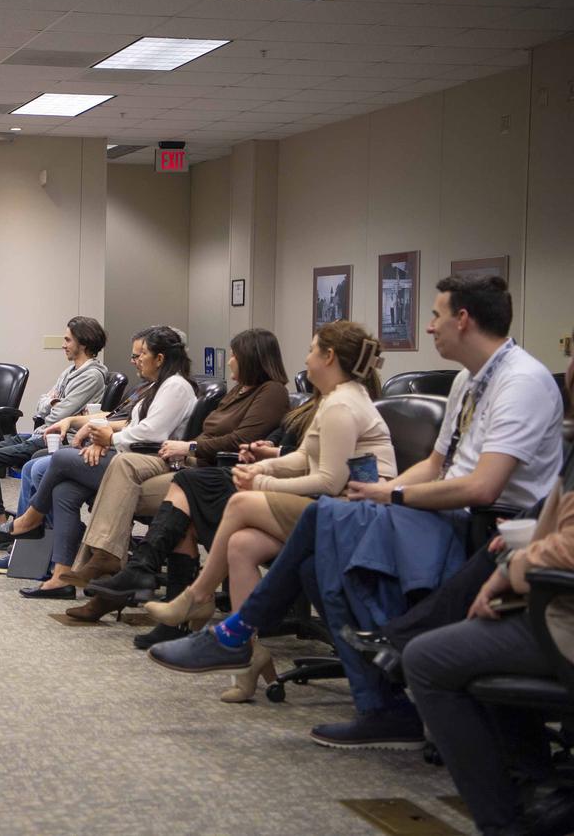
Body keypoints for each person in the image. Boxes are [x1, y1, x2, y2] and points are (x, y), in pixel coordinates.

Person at [150, 276, 565, 748]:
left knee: (320, 520)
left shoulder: (521, 382)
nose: (430, 327)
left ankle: (238, 632)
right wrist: (383, 491)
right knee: (315, 551)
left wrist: (393, 497)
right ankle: (378, 706)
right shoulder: (472, 379)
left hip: (486, 524)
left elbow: (484, 486)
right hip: (437, 510)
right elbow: (435, 464)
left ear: (463, 320)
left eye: (436, 315)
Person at [133, 322, 397, 700]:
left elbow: (326, 481)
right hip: (335, 506)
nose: (305, 359)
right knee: (241, 545)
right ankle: (249, 659)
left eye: (311, 350)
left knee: (240, 502)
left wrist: (262, 485)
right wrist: (263, 467)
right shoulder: (334, 398)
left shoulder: (342, 405)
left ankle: (198, 596)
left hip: (354, 514)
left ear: (329, 357)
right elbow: (304, 457)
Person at [403, 353, 574, 836]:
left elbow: (567, 551)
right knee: (475, 634)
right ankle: (535, 786)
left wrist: (513, 567)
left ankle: (505, 823)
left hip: (564, 612)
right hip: (550, 599)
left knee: (428, 661)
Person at [60, 328, 292, 595]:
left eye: (234, 355)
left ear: (252, 357)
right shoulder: (238, 391)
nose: (229, 361)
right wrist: (191, 449)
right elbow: (209, 433)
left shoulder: (271, 392)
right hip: (194, 464)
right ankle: (110, 569)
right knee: (117, 476)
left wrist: (191, 446)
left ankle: (116, 569)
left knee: (119, 485)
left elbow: (240, 439)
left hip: (221, 476)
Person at [2, 326, 197, 598]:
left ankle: (29, 519)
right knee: (64, 491)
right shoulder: (157, 386)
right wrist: (100, 436)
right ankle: (61, 577)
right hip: (131, 454)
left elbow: (152, 434)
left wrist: (108, 440)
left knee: (60, 459)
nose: (136, 360)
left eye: (141, 355)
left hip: (149, 461)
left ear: (160, 358)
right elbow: (132, 423)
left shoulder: (176, 385)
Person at [0, 316, 109, 548]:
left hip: (59, 440)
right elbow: (43, 405)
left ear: (83, 342)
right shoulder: (70, 371)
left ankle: (2, 528)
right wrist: (52, 404)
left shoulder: (92, 375)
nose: (63, 344)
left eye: (67, 339)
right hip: (41, 434)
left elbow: (55, 415)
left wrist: (52, 404)